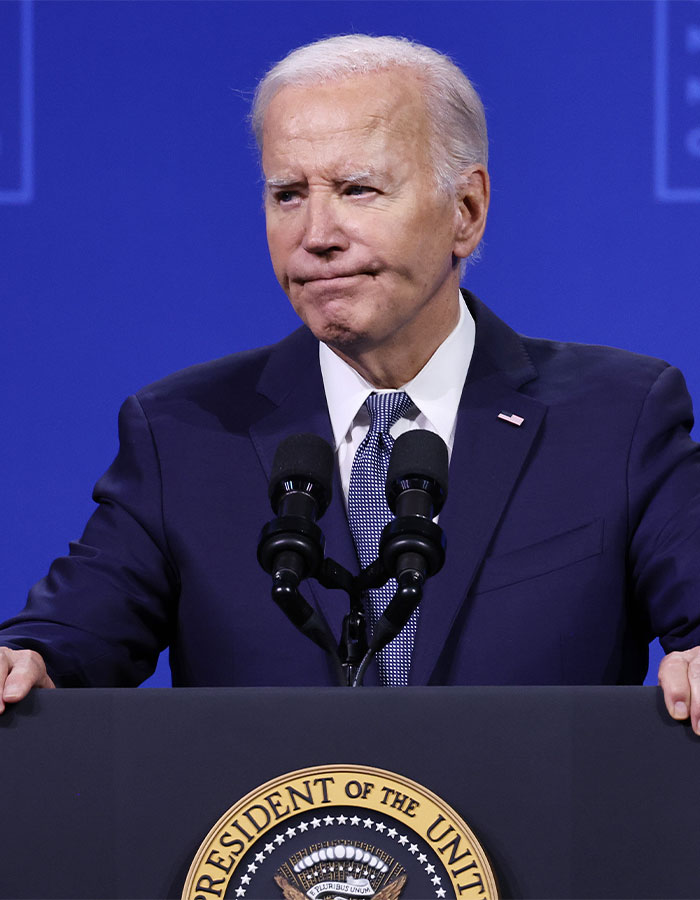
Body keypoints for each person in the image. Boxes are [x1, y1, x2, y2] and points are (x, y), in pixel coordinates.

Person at [1, 35, 699, 729]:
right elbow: (63, 641)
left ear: (466, 210)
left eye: (357, 190)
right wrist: (26, 661)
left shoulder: (617, 418)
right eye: (288, 195)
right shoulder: (183, 432)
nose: (316, 235)